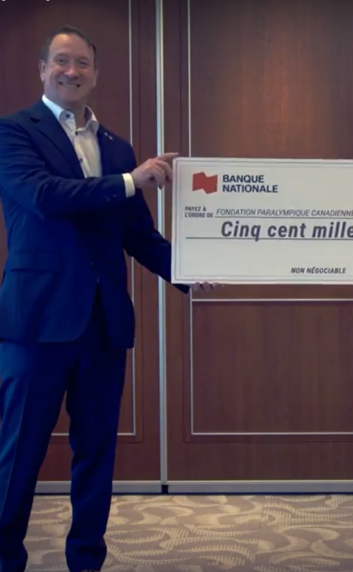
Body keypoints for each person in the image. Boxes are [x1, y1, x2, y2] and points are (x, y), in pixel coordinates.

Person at [0, 25, 213, 572]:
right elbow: (46, 196)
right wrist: (128, 180)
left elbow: (136, 235)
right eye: (61, 63)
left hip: (103, 327)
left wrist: (192, 271)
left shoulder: (116, 146)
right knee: (17, 457)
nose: (71, 72)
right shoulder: (13, 132)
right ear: (43, 69)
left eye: (82, 64)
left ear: (95, 74)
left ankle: (86, 561)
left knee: (96, 457)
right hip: (36, 326)